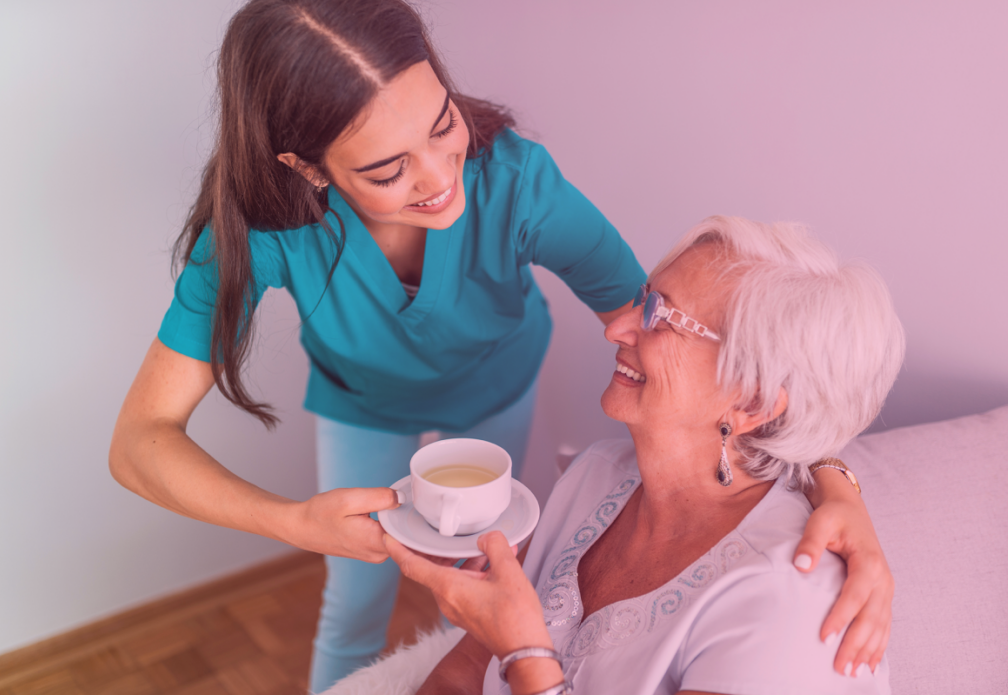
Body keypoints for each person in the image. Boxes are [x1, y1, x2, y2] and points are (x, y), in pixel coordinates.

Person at [107, 0, 892, 690]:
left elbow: (708, 355)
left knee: (501, 565)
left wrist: (831, 476)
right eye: (388, 168)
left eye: (442, 121)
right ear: (306, 166)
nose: (441, 175)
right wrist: (292, 521)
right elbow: (139, 442)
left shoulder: (517, 181)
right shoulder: (259, 231)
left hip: (497, 391)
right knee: (352, 597)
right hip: (361, 405)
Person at [387, 216, 904, 695]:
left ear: (752, 401)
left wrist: (523, 653)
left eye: (661, 316)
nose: (617, 328)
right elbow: (458, 676)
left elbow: (504, 654)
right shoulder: (594, 475)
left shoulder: (785, 601)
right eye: (643, 298)